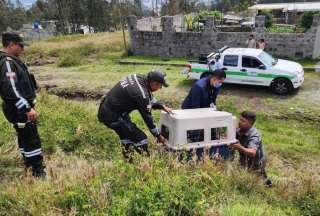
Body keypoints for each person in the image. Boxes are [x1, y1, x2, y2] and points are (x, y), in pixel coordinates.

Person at [98, 70, 172, 161]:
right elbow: (147, 117)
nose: (160, 88)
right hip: (112, 116)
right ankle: (147, 164)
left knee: (126, 136)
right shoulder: (140, 94)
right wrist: (158, 135)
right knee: (140, 138)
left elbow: (149, 97)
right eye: (160, 86)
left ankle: (128, 162)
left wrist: (162, 106)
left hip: (112, 110)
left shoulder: (140, 78)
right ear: (154, 83)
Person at [0, 32, 45, 177]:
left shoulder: (12, 61)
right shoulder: (7, 62)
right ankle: (38, 172)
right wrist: (26, 108)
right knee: (31, 138)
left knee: (24, 136)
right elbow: (11, 89)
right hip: (20, 109)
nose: (23, 49)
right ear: (11, 44)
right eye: (20, 45)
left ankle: (29, 165)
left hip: (20, 108)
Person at [181, 69, 229, 162]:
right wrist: (202, 119)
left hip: (205, 108)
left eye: (222, 82)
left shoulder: (216, 86)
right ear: (214, 78)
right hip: (190, 110)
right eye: (220, 82)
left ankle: (208, 148)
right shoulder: (199, 86)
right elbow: (195, 107)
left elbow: (213, 99)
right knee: (195, 130)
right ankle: (194, 150)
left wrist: (213, 109)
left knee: (208, 129)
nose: (220, 84)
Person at [230, 111, 272, 187]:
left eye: (243, 121)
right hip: (245, 158)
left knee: (257, 177)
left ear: (250, 123)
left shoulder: (254, 135)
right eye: (240, 119)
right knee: (242, 173)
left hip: (256, 161)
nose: (239, 122)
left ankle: (268, 185)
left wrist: (239, 147)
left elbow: (252, 152)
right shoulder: (239, 131)